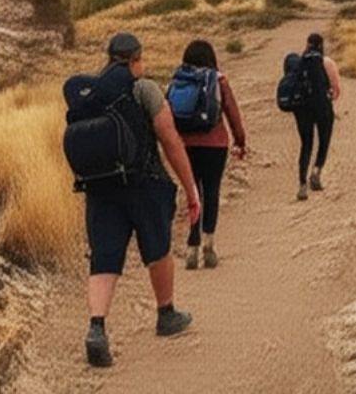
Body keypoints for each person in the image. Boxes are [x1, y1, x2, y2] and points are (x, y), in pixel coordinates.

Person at [83, 33, 201, 368]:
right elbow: (170, 140)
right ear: (136, 59)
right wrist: (191, 189)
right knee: (158, 247)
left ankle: (97, 327)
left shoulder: (91, 91)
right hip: (143, 183)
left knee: (104, 258)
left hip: (101, 189)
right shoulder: (144, 88)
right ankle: (166, 313)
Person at [175, 40, 247, 269]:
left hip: (185, 146)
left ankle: (191, 246)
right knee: (212, 192)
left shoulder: (178, 80)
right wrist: (240, 141)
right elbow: (232, 112)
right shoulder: (218, 79)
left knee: (192, 193)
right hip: (215, 145)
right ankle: (209, 245)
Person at [293, 32, 341, 201]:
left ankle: (302, 184)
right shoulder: (326, 62)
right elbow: (336, 89)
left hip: (303, 110)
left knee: (306, 145)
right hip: (322, 108)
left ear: (307, 44)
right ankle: (316, 172)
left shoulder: (299, 62)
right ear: (321, 45)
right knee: (324, 141)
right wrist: (327, 98)